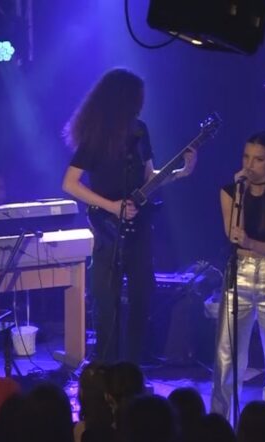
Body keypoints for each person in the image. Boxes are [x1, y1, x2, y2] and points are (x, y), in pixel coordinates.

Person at [62, 68, 196, 363]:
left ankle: (132, 368)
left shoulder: (140, 131)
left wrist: (182, 171)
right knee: (106, 304)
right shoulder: (96, 136)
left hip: (139, 228)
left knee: (141, 299)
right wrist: (111, 206)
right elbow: (70, 183)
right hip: (107, 229)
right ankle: (105, 368)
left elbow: (150, 177)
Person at [213, 131, 265, 437]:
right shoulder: (229, 192)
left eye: (258, 159)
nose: (250, 165)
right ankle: (221, 428)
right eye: (246, 157)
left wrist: (249, 242)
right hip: (239, 273)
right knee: (227, 357)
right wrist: (240, 193)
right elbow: (232, 234)